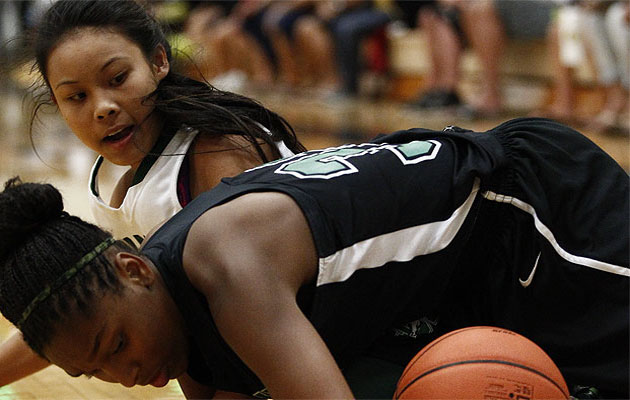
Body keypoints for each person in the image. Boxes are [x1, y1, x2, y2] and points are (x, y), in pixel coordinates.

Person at [1, 117, 628, 399]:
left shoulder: (228, 269)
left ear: (133, 269)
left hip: (524, 209)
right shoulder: (170, 331)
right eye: (98, 374)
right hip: (452, 288)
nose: (126, 373)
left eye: (115, 347)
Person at [0, 0, 305, 390]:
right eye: (77, 97)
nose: (103, 108)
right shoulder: (124, 179)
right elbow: (78, 310)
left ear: (159, 62)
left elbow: (263, 330)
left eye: (117, 78)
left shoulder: (219, 154)